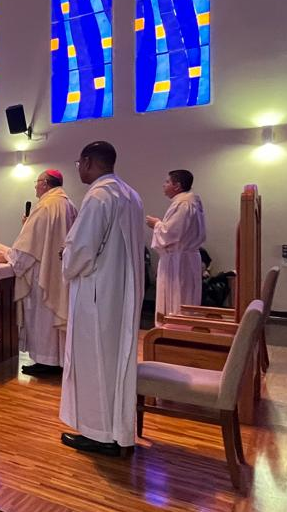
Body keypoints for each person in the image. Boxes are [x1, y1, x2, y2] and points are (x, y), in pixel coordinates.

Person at [60, 141, 144, 457]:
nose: (78, 170)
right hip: (121, 293)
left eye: (79, 164)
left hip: (96, 295)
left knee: (94, 360)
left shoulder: (98, 196)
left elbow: (82, 249)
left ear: (88, 162)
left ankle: (99, 434)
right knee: (114, 361)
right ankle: (117, 430)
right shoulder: (130, 195)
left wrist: (65, 257)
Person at [4, 170, 77, 376]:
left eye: (37, 182)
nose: (35, 186)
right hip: (62, 271)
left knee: (43, 316)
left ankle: (46, 361)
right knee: (58, 313)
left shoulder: (45, 206)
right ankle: (60, 359)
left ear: (45, 183)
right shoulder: (69, 205)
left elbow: (27, 247)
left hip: (43, 271)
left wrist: (10, 258)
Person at [146, 169, 206, 323]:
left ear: (177, 186)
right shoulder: (190, 201)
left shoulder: (183, 204)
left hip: (179, 262)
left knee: (178, 298)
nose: (164, 185)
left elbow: (171, 234)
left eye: (167, 182)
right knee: (185, 297)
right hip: (186, 259)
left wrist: (156, 224)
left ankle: (175, 330)